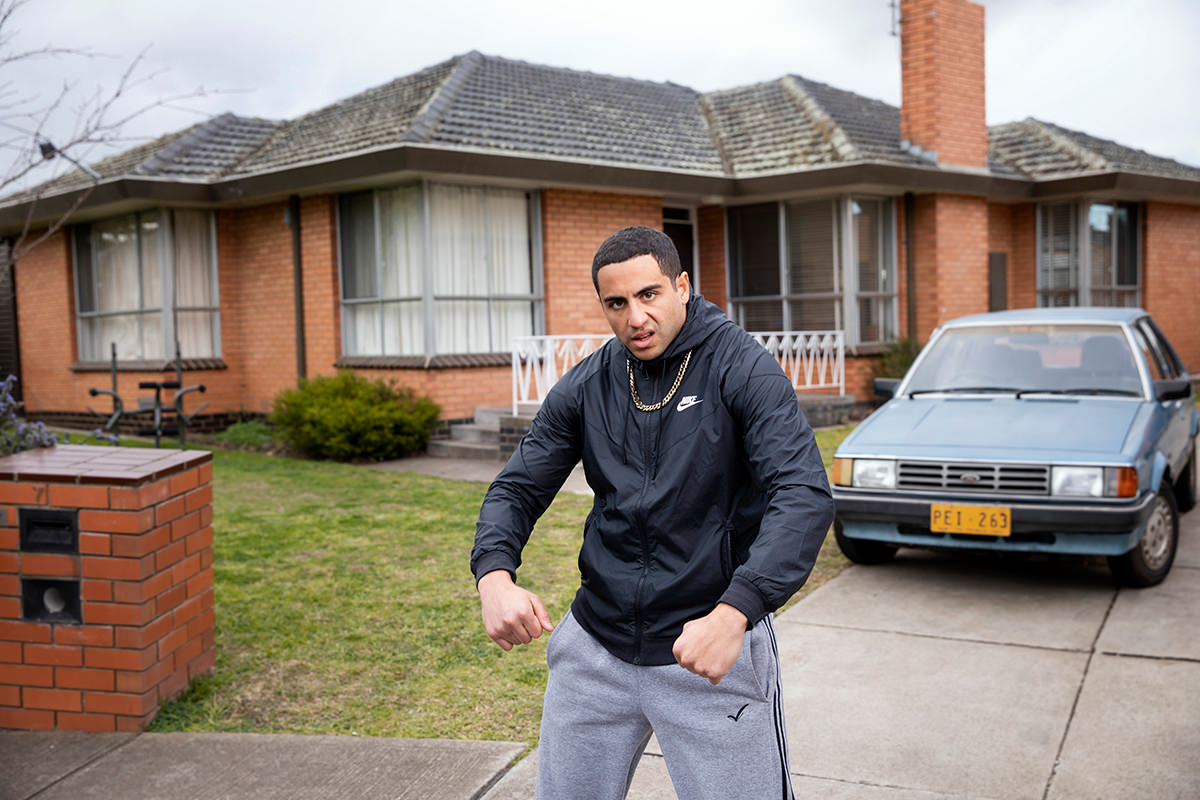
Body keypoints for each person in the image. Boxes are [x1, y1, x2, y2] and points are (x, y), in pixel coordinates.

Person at [471, 225, 834, 800]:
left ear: (682, 286)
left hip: (707, 647)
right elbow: (517, 487)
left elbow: (802, 493)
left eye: (649, 295)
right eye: (616, 303)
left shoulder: (740, 367)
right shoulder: (590, 382)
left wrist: (734, 614)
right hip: (595, 650)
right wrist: (494, 576)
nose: (635, 317)